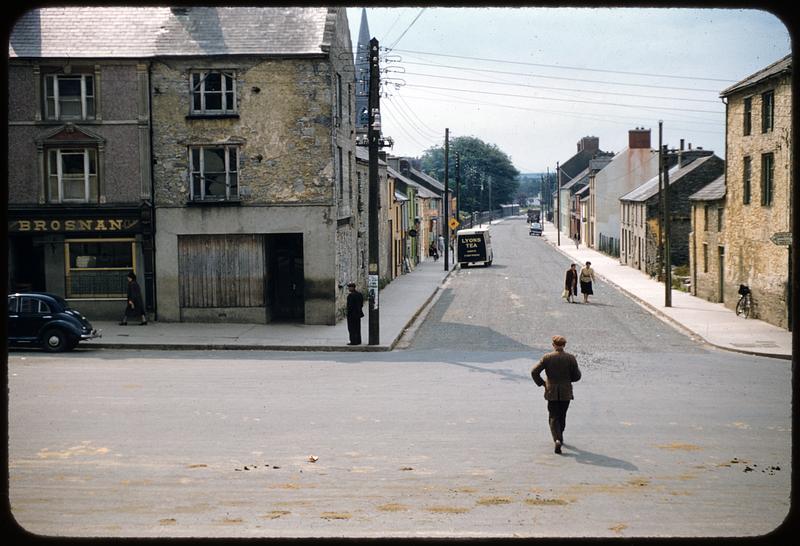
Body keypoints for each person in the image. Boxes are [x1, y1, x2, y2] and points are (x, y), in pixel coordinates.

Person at [531, 335, 582, 454]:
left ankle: (557, 439)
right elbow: (577, 376)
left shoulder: (547, 357)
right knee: (562, 415)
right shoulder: (571, 358)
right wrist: (568, 380)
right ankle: (560, 436)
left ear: (553, 345)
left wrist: (542, 383)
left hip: (551, 391)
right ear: (564, 345)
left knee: (553, 416)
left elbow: (534, 372)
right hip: (566, 391)